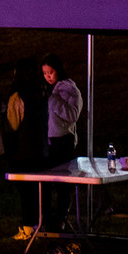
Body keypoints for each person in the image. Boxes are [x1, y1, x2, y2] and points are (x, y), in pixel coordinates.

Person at [40, 54, 84, 232]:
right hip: (51, 141)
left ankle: (60, 217)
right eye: (44, 73)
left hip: (63, 142)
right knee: (49, 181)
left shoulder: (68, 89)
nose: (48, 76)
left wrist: (53, 100)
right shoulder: (52, 90)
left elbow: (72, 115)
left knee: (62, 184)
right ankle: (50, 218)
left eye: (50, 72)